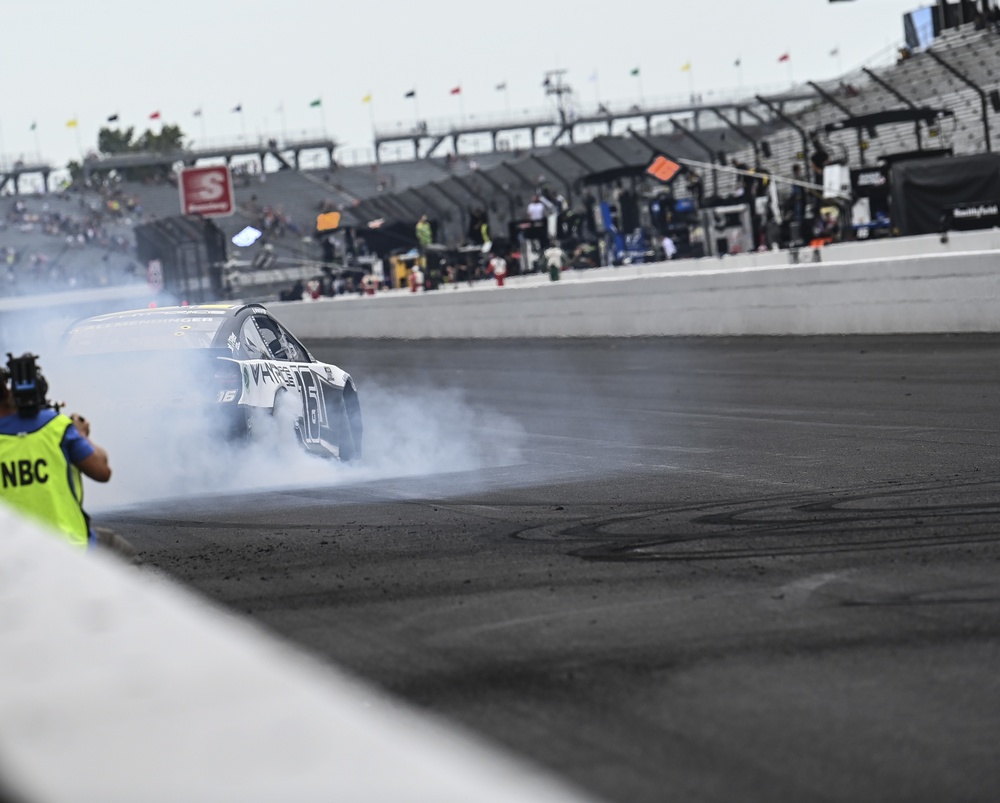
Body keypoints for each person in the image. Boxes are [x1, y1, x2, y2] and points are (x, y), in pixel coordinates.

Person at [0, 356, 127, 556]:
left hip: (10, 560)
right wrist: (82, 435)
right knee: (118, 550)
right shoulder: (55, 427)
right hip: (70, 551)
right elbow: (102, 472)